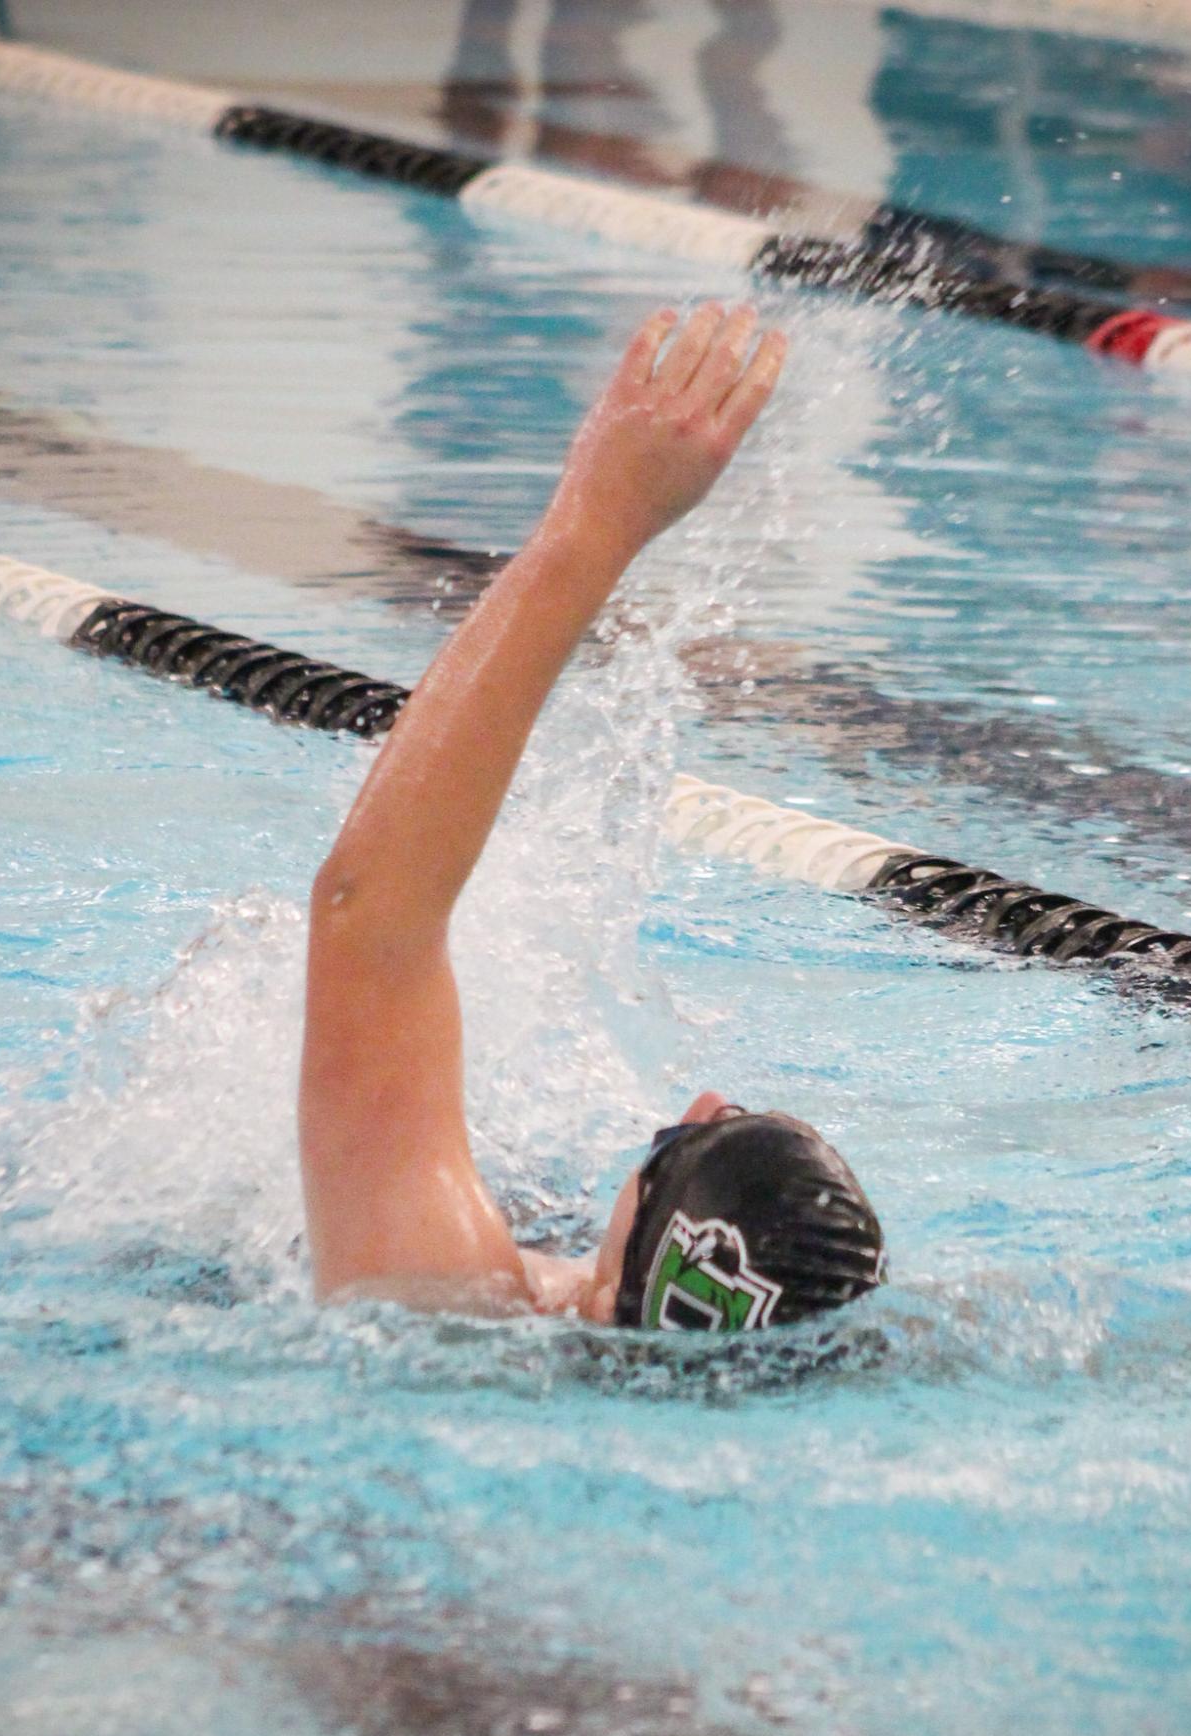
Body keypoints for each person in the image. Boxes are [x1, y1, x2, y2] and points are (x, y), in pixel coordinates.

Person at [299, 302, 885, 1330]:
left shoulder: (436, 1289)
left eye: (683, 1148)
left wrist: (599, 520)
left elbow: (367, 912)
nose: (701, 1103)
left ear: (629, 1270)